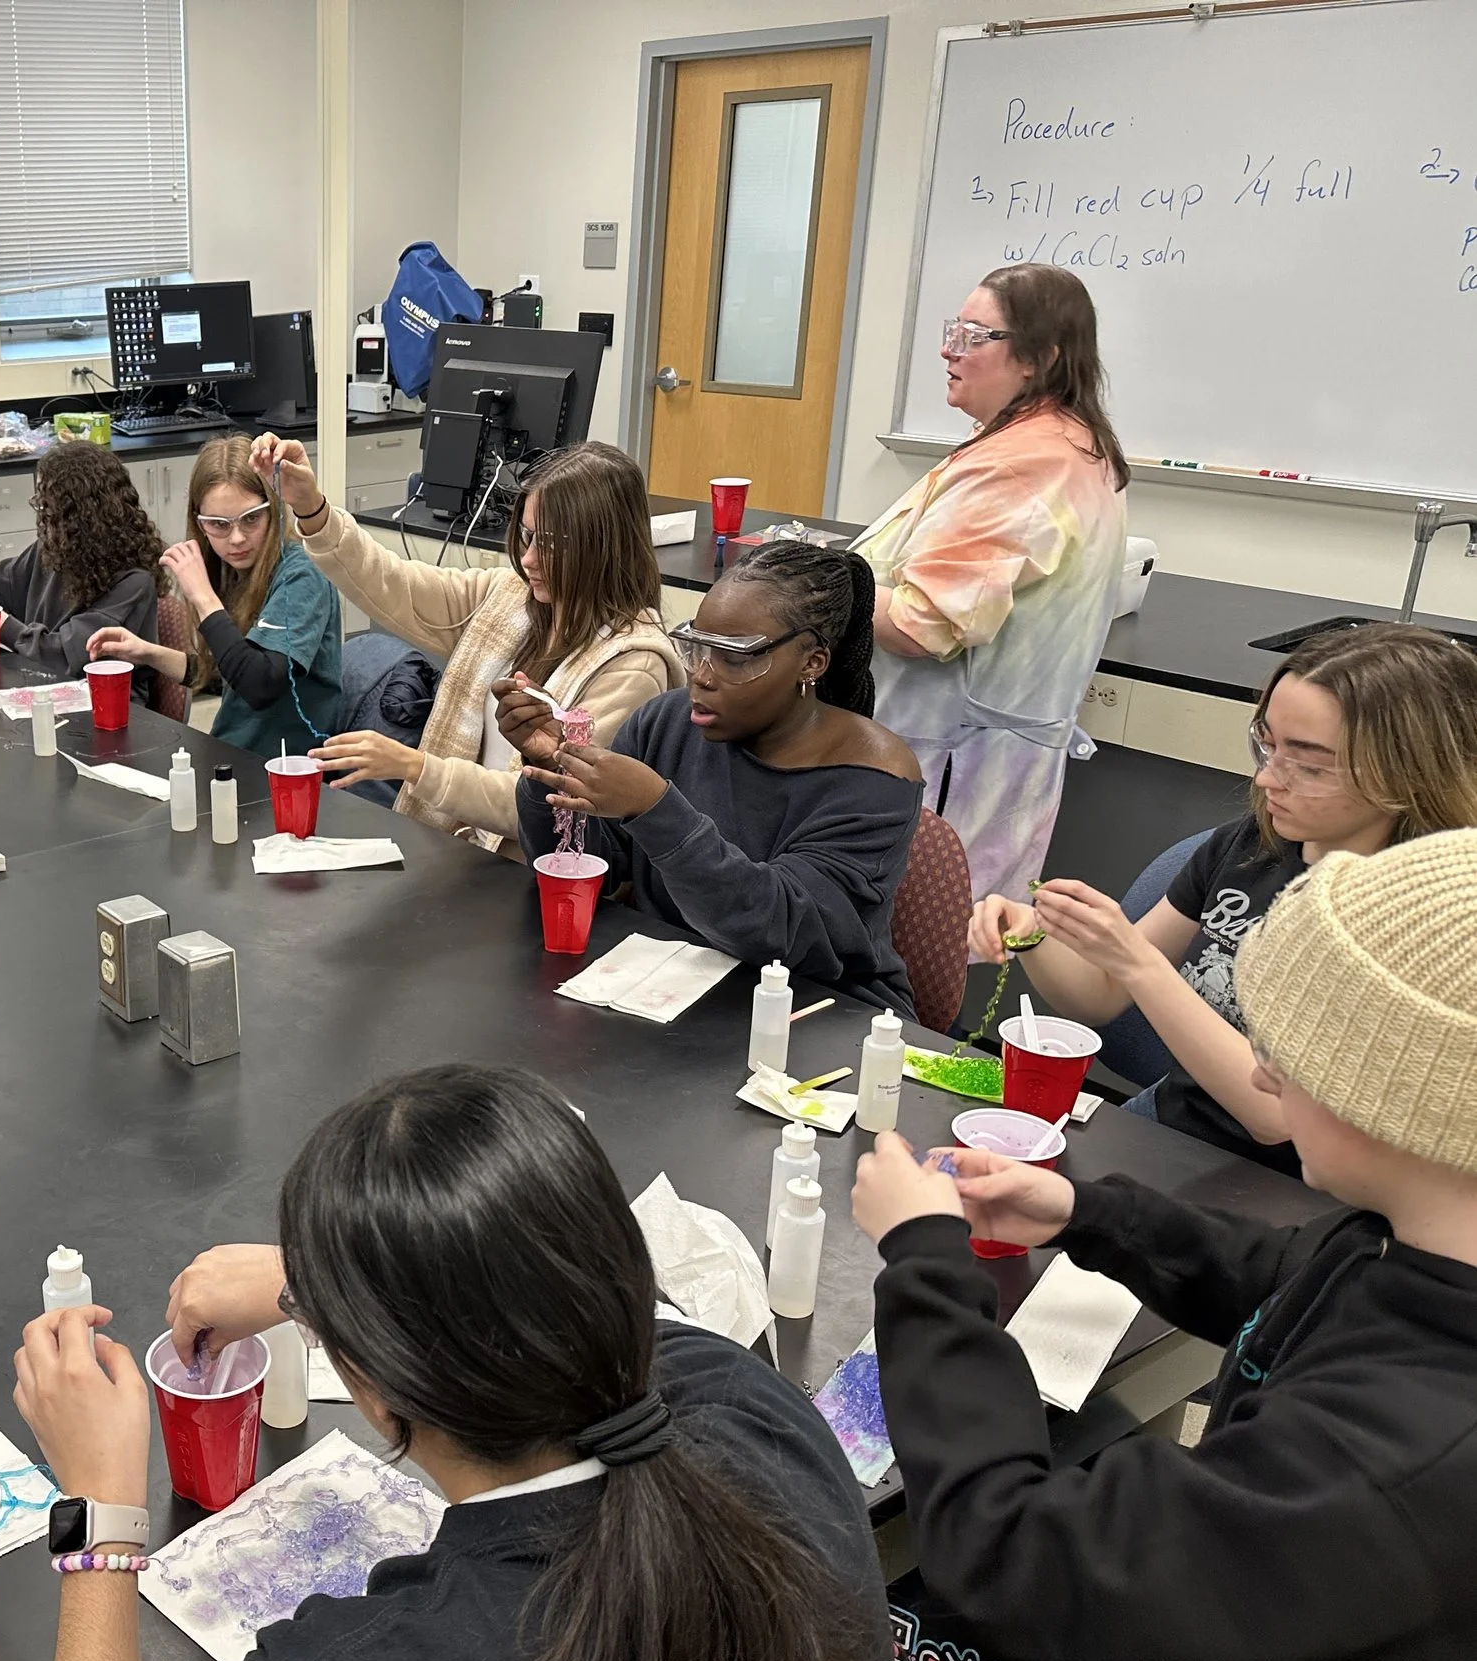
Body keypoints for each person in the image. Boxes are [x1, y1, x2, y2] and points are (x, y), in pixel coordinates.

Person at [16, 1063, 925, 1661]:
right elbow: (603, 1298)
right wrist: (321, 1283)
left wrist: (99, 1503)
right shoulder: (759, 1416)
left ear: (371, 1389)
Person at [851, 828, 1477, 1661]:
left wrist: (924, 1266)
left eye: (1301, 1058)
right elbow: (1283, 1272)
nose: (1265, 1074)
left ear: (1404, 1099)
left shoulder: (1400, 1456)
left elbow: (1013, 1556)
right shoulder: (1406, 1243)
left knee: (848, 1621)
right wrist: (1080, 1211)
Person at [970, 625, 1477, 1173]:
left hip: (1293, 1188)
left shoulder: (1432, 918)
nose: (1266, 779)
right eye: (1267, 745)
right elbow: (1101, 996)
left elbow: (1275, 1117)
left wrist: (1136, 962)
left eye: (1307, 765)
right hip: (1175, 1127)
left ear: (1410, 772)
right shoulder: (1252, 846)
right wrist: (1034, 935)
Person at [506, 541, 924, 1012]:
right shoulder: (668, 722)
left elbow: (781, 932)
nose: (702, 677)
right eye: (697, 648)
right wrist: (552, 771)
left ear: (811, 662)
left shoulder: (874, 775)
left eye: (736, 657)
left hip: (818, 1012)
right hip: (674, 988)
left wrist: (656, 809)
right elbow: (590, 871)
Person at [243, 433, 679, 851]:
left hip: (525, 874)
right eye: (527, 536)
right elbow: (393, 584)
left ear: (603, 547)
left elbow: (546, 805)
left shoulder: (633, 665)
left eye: (552, 544)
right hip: (455, 849)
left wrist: (415, 766)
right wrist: (312, 507)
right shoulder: (507, 596)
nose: (528, 560)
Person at [854, 263, 1131, 901]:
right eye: (954, 329)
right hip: (969, 763)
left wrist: (824, 582)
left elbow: (919, 626)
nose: (950, 349)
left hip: (950, 768)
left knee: (921, 951)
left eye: (976, 336)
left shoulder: (1021, 466)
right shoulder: (1054, 443)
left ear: (1039, 358)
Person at [83, 434, 341, 754]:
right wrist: (148, 652)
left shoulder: (302, 574)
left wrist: (204, 598)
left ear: (273, 507)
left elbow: (260, 685)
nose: (236, 538)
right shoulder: (235, 571)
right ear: (199, 522)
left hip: (285, 768)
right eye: (219, 524)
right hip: (233, 751)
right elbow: (229, 674)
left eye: (251, 518)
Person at [0, 440, 163, 677]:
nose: (43, 512)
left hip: (104, 704)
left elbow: (63, 656)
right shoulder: (57, 549)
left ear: (79, 513)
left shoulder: (133, 582)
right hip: (45, 683)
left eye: (48, 505)